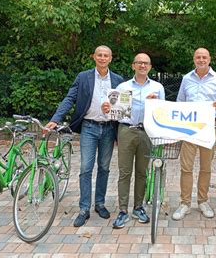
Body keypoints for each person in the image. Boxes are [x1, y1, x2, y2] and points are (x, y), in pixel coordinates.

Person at [46, 45, 123, 227]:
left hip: (109, 129)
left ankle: (100, 204)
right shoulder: (83, 77)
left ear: (111, 59)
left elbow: (122, 107)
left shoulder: (118, 80)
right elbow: (69, 98)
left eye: (106, 55)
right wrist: (55, 119)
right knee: (85, 168)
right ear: (94, 57)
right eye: (100, 55)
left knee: (104, 167)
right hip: (89, 127)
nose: (103, 58)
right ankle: (83, 208)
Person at [101, 53, 165, 229]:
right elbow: (112, 110)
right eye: (139, 63)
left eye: (146, 63)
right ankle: (123, 210)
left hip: (147, 132)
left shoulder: (158, 87)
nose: (143, 66)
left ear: (150, 67)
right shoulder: (122, 86)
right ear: (133, 66)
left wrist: (158, 103)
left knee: (142, 172)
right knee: (124, 172)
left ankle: (138, 207)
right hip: (126, 131)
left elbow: (163, 112)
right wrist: (106, 107)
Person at [172, 47, 216, 221]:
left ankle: (203, 201)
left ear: (209, 59)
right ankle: (185, 203)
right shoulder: (186, 79)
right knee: (186, 167)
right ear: (194, 59)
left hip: (210, 127)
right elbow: (180, 103)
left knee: (206, 167)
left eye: (204, 57)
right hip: (189, 127)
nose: (201, 60)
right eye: (198, 57)